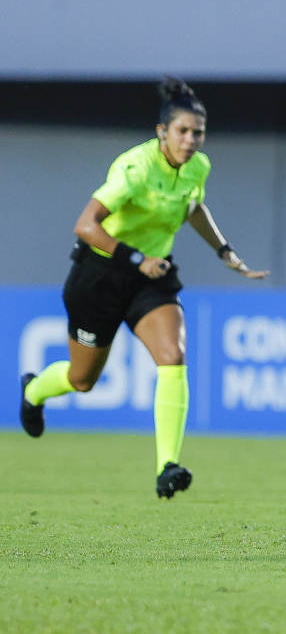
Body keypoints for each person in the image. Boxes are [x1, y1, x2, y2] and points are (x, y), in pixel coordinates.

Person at [19, 78, 268, 498]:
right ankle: (34, 390)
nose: (191, 141)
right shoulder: (134, 168)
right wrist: (136, 258)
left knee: (172, 356)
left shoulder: (198, 167)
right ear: (162, 132)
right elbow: (85, 225)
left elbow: (193, 207)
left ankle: (166, 466)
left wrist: (225, 251)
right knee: (82, 381)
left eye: (198, 133)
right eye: (182, 132)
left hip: (151, 279)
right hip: (99, 276)